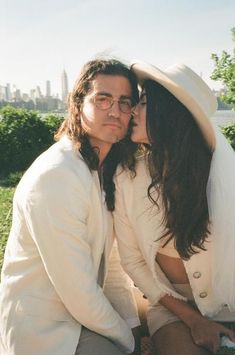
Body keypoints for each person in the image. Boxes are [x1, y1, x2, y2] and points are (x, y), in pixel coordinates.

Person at [0, 58, 141, 355]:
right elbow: (79, 293)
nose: (115, 111)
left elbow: (112, 268)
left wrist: (134, 330)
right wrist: (129, 344)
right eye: (103, 99)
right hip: (46, 330)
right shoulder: (58, 175)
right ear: (78, 103)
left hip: (82, 318)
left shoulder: (103, 171)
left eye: (124, 102)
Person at [113, 60, 235, 355]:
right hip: (170, 305)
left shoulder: (219, 174)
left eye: (143, 104)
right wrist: (193, 319)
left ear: (169, 113)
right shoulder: (126, 177)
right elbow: (133, 262)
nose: (133, 112)